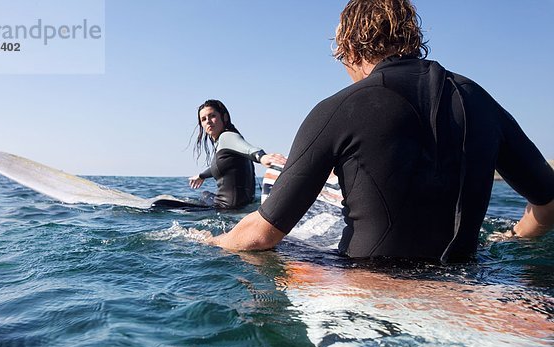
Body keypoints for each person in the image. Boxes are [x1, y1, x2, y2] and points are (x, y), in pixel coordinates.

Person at [203, 0, 554, 262]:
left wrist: (206, 243)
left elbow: (261, 236)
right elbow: (549, 202)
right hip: (470, 283)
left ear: (351, 49)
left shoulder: (341, 107)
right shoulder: (478, 100)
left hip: (370, 292)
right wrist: (514, 237)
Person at [188, 99, 286, 209]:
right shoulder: (225, 143)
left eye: (212, 116)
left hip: (225, 209)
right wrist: (201, 176)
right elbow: (220, 166)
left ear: (224, 117)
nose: (208, 121)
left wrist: (262, 156)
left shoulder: (227, 136)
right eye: (203, 119)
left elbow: (249, 149)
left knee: (166, 204)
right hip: (241, 206)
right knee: (205, 194)